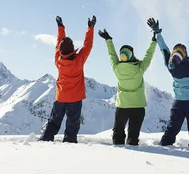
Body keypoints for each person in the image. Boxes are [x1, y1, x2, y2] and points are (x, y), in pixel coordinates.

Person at [147, 12, 189, 150]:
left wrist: (157, 33)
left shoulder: (170, 66)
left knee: (172, 128)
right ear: (184, 55)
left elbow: (163, 49)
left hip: (178, 102)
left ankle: (165, 146)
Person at [40, 15, 96, 143]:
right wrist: (90, 28)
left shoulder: (58, 60)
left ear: (60, 51)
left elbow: (59, 42)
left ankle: (46, 139)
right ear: (72, 49)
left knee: (54, 120)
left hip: (61, 96)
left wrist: (60, 27)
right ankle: (69, 141)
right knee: (73, 122)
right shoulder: (79, 60)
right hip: (75, 98)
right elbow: (87, 46)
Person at [98, 26, 156, 146]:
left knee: (118, 132)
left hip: (122, 106)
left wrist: (108, 40)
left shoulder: (117, 68)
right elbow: (148, 56)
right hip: (138, 107)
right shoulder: (140, 68)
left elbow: (111, 55)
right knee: (133, 135)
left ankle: (118, 154)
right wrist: (154, 41)